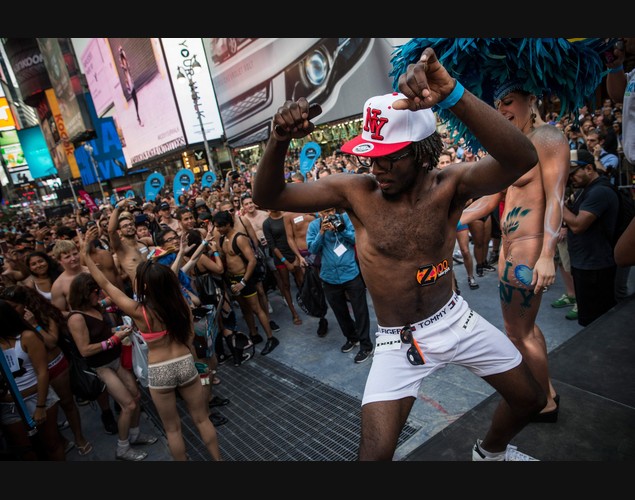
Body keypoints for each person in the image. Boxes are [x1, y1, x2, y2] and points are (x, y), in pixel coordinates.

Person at [253, 47, 545, 461]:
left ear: (421, 151)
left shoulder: (451, 185)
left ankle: (490, 453)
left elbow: (522, 157)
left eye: (388, 157)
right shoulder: (355, 192)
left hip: (455, 319)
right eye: (369, 155)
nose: (375, 166)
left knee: (530, 400)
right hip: (398, 342)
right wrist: (278, 138)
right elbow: (268, 195)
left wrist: (453, 94)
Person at [460, 78, 570, 423]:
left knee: (517, 332)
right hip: (511, 252)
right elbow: (490, 199)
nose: (502, 110)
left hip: (529, 251)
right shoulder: (516, 146)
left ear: (530, 100)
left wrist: (547, 254)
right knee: (526, 329)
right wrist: (449, 218)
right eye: (497, 105)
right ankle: (547, 391)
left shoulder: (548, 139)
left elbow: (556, 197)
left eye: (508, 101)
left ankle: (545, 403)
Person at [81, 224, 222, 461]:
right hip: (184, 363)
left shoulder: (138, 310)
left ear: (144, 285)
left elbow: (106, 285)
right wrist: (178, 253)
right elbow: (172, 276)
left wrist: (86, 254)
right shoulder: (179, 303)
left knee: (173, 429)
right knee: (201, 418)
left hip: (159, 371)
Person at [66, 271, 158, 461]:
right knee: (128, 405)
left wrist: (117, 330)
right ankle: (122, 448)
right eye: (95, 292)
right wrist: (114, 339)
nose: (99, 295)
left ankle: (134, 434)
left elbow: (103, 330)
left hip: (115, 361)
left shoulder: (97, 307)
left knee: (136, 395)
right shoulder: (76, 318)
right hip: (102, 367)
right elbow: (85, 350)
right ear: (84, 293)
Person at [0, 285, 92, 456]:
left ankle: (79, 438)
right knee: (47, 423)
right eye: (9, 308)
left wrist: (34, 324)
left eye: (15, 307)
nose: (12, 311)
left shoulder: (42, 315)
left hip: (54, 367)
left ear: (25, 304)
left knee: (67, 404)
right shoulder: (6, 330)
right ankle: (61, 441)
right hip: (30, 381)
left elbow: (50, 342)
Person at [0, 299, 65, 460]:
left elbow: (42, 372)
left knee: (52, 443)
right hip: (10, 406)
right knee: (26, 451)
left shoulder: (26, 337)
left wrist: (40, 406)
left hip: (39, 397)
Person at [306, 208, 372, 362]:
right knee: (340, 312)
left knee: (360, 311)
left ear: (334, 209)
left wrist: (340, 230)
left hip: (350, 273)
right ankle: (351, 337)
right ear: (319, 213)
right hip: (329, 277)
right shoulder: (314, 226)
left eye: (329, 211)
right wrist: (321, 232)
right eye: (323, 212)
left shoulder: (346, 219)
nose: (327, 215)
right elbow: (312, 250)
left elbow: (357, 239)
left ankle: (366, 346)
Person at [563, 149, 619, 326]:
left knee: (597, 322)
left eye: (573, 173)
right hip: (586, 265)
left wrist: (555, 202)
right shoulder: (585, 190)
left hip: (596, 268)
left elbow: (578, 225)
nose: (571, 178)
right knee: (589, 319)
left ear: (588, 168)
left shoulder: (599, 191)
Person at [118, 46, 143, 127]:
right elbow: (125, 68)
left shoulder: (124, 59)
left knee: (136, 100)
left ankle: (138, 117)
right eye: (121, 50)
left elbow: (127, 67)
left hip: (130, 80)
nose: (122, 51)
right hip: (128, 82)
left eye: (122, 50)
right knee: (135, 99)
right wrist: (125, 66)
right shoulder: (121, 61)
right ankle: (138, 117)